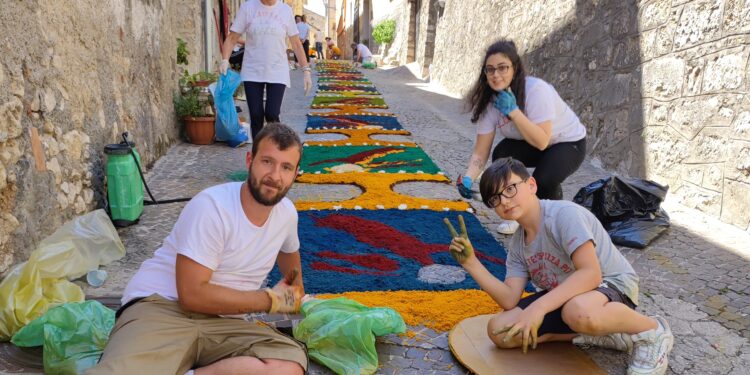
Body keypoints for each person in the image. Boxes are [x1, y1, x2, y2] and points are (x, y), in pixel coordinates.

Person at [87, 123, 307, 375]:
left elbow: (293, 280)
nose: (275, 176)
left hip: (225, 321)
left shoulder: (287, 214)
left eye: (286, 167)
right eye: (267, 161)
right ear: (250, 159)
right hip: (163, 307)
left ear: (295, 173)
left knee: (287, 367)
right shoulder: (213, 206)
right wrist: (269, 300)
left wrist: (294, 293)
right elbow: (191, 295)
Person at [444, 157, 674, 375]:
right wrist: (471, 263)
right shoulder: (518, 244)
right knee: (499, 330)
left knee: (578, 312)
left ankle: (652, 331)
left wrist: (537, 308)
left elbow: (591, 275)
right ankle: (600, 333)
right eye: (494, 198)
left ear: (532, 185)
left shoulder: (564, 215)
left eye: (510, 189)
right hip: (567, 299)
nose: (504, 200)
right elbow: (509, 299)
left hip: (612, 284)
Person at [458, 39, 586, 235]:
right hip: (530, 142)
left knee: (544, 180)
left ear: (515, 68)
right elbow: (481, 152)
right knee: (502, 157)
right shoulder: (490, 102)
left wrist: (514, 111)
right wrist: (468, 178)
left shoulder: (536, 91)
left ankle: (555, 221)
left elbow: (543, 141)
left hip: (567, 143)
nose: (496, 75)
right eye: (490, 69)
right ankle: (519, 214)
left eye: (502, 68)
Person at [219, 0, 312, 140]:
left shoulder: (285, 10)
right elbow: (232, 38)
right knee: (256, 115)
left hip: (277, 70)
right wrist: (225, 59)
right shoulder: (248, 8)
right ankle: (258, 155)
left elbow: (296, 44)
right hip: (252, 70)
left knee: (272, 114)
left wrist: (306, 70)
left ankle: (277, 148)